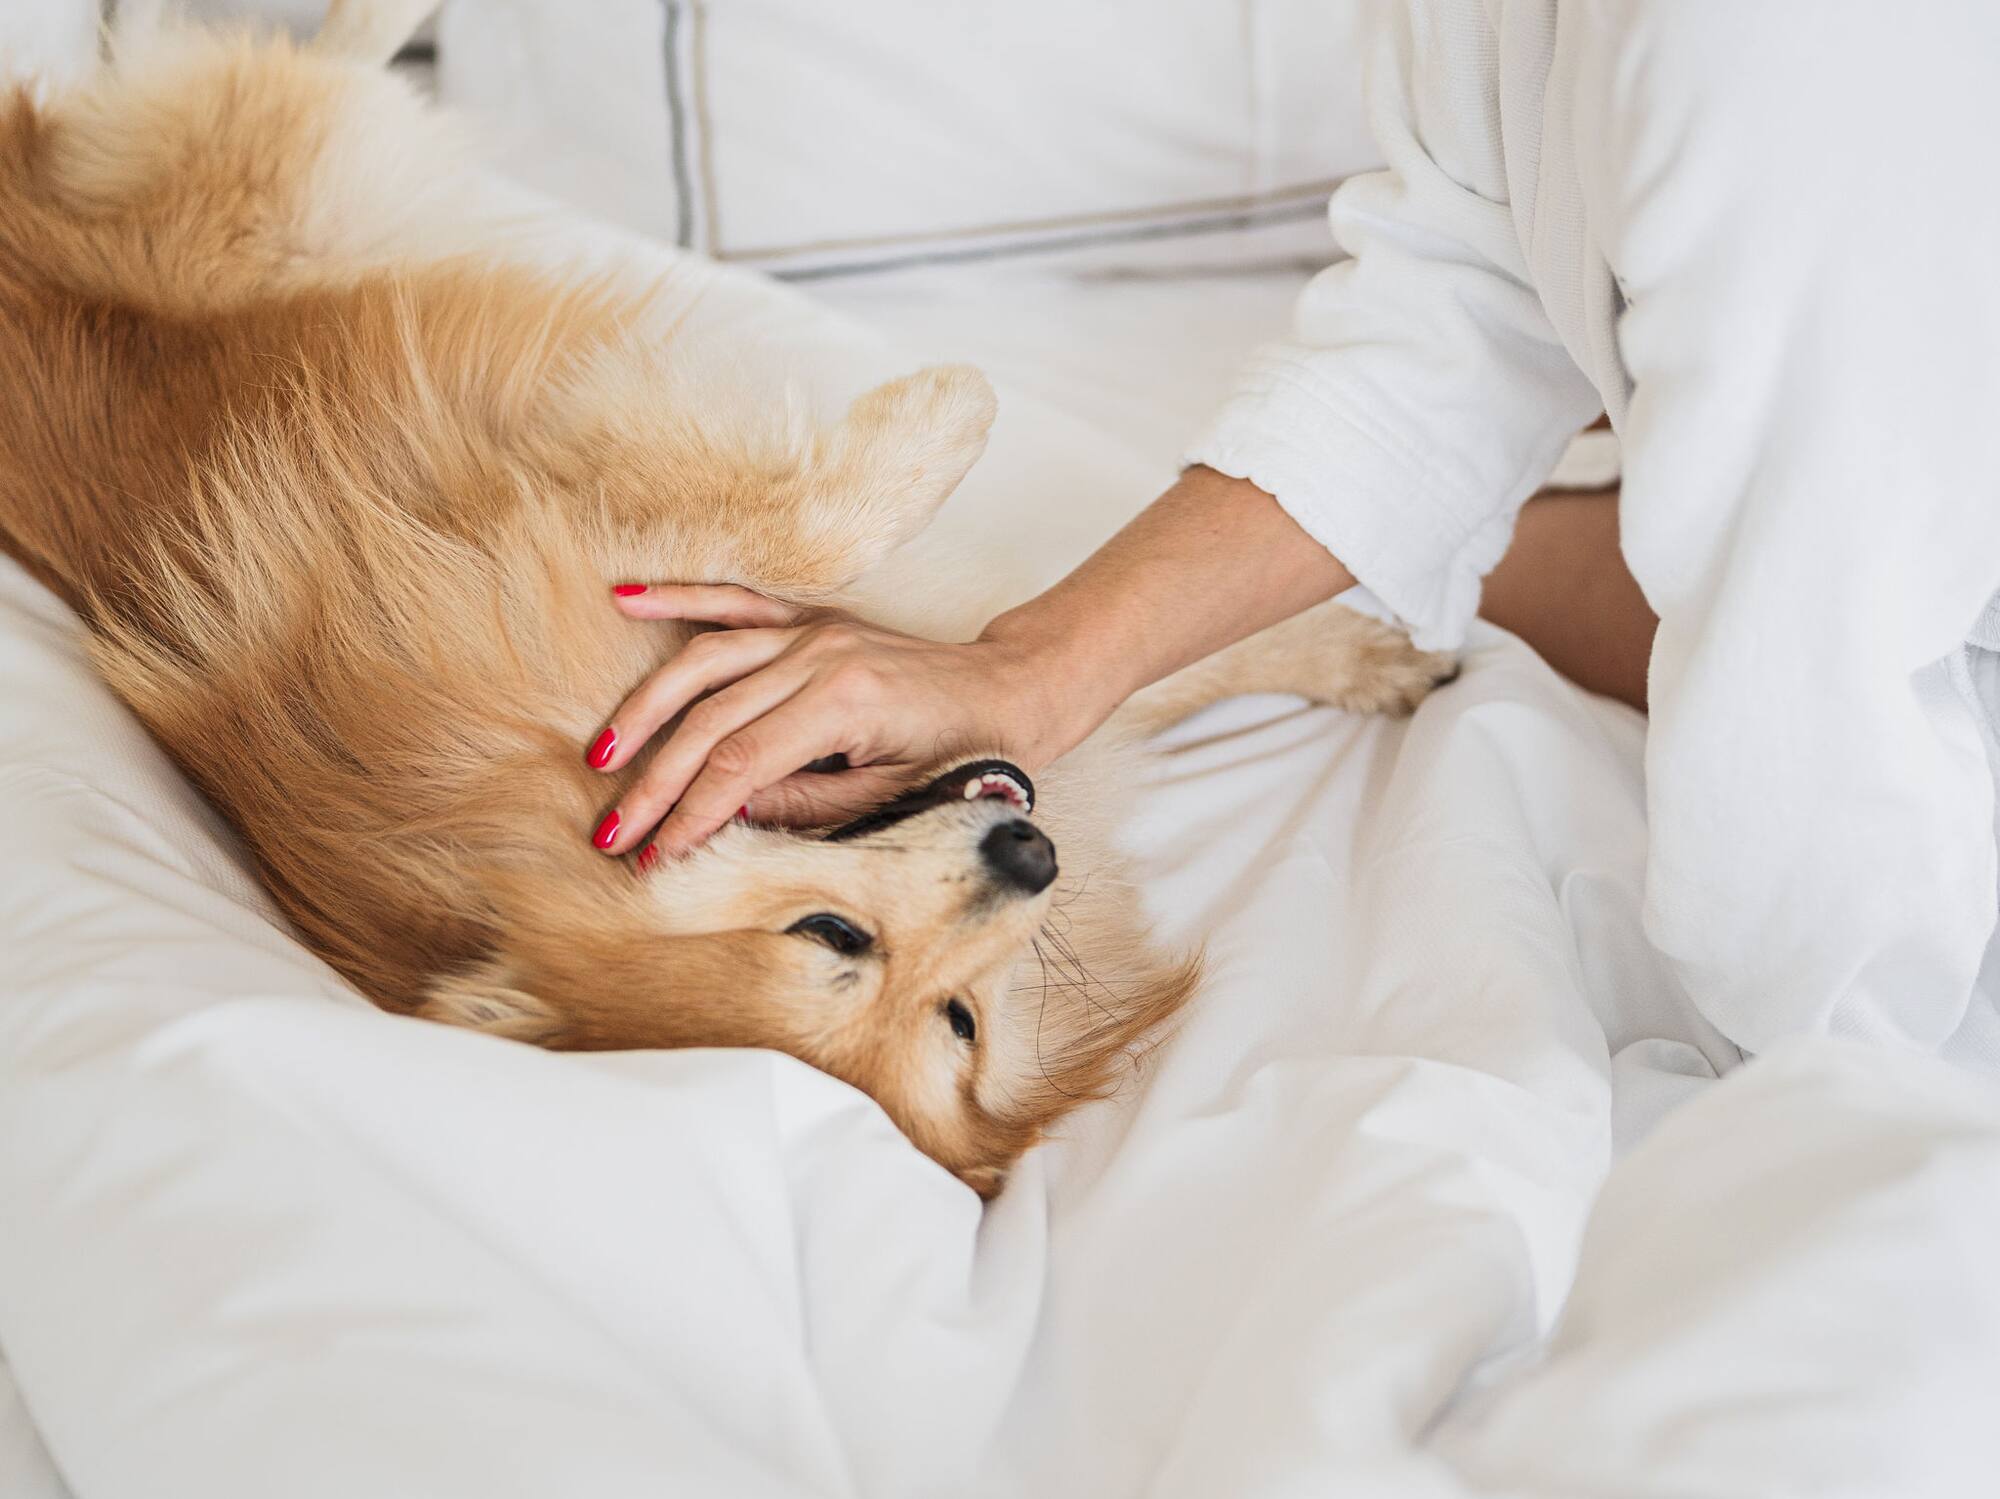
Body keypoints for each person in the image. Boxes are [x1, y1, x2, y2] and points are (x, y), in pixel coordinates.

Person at [582, 1, 2000, 1065]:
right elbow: (1468, 289)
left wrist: (1813, 1079)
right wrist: (1031, 665)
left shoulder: (1780, 55)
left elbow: (1819, 676)